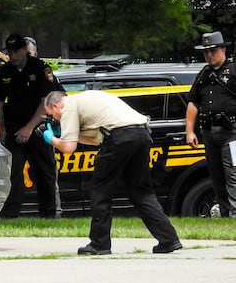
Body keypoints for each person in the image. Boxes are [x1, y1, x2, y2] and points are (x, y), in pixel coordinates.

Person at [42, 90, 182, 255]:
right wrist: (67, 135)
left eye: (52, 115)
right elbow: (96, 141)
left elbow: (68, 149)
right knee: (141, 191)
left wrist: (51, 139)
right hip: (141, 134)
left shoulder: (68, 107)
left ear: (56, 106)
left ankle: (99, 244)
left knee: (100, 190)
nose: (55, 119)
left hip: (120, 138)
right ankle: (169, 239)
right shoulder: (85, 98)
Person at [185, 31, 236, 218]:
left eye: (213, 50)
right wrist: (189, 131)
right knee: (217, 177)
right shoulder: (204, 74)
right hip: (210, 133)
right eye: (206, 52)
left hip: (233, 132)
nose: (209, 55)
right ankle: (226, 215)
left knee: (235, 177)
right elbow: (193, 103)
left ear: (223, 50)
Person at [0, 34, 60, 218]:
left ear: (24, 50)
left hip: (38, 127)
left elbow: (46, 102)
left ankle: (48, 213)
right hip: (14, 127)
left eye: (15, 51)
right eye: (10, 52)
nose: (12, 56)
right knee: (12, 172)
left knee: (44, 171)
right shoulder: (5, 71)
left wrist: (29, 128)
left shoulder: (40, 68)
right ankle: (9, 213)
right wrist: (2, 129)